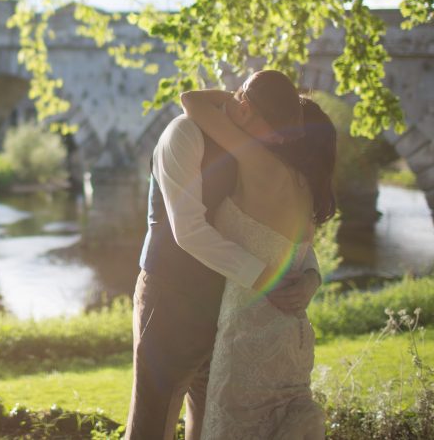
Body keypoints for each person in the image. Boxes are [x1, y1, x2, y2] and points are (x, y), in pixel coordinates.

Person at [125, 71, 323, 440]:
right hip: (172, 296)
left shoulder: (251, 147)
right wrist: (267, 278)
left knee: (208, 417)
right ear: (246, 108)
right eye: (274, 129)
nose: (278, 140)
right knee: (153, 422)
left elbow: (282, 229)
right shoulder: (183, 134)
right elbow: (189, 231)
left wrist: (310, 275)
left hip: (231, 304)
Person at [181, 90, 336, 439]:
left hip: (248, 340)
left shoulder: (261, 164)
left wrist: (240, 96)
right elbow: (297, 252)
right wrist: (312, 278)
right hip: (290, 336)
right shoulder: (306, 188)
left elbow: (190, 100)